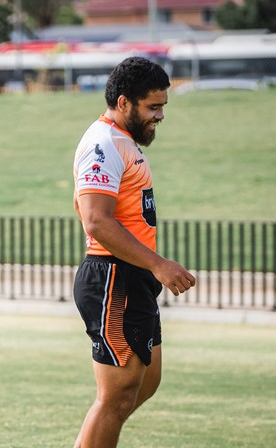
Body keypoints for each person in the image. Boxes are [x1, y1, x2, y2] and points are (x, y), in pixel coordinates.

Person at [71, 57, 196, 448]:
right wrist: (159, 265)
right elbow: (96, 222)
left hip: (131, 277)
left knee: (147, 380)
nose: (160, 115)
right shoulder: (102, 142)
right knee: (116, 396)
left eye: (162, 106)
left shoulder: (122, 142)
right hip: (112, 278)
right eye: (153, 107)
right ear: (124, 103)